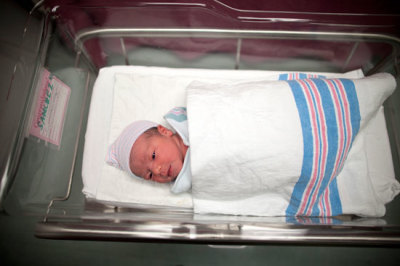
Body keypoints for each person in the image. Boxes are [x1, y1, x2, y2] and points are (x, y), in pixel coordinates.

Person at [106, 107, 191, 193]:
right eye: (150, 175)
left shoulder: (183, 120)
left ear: (164, 131)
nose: (156, 170)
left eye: (153, 156)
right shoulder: (185, 181)